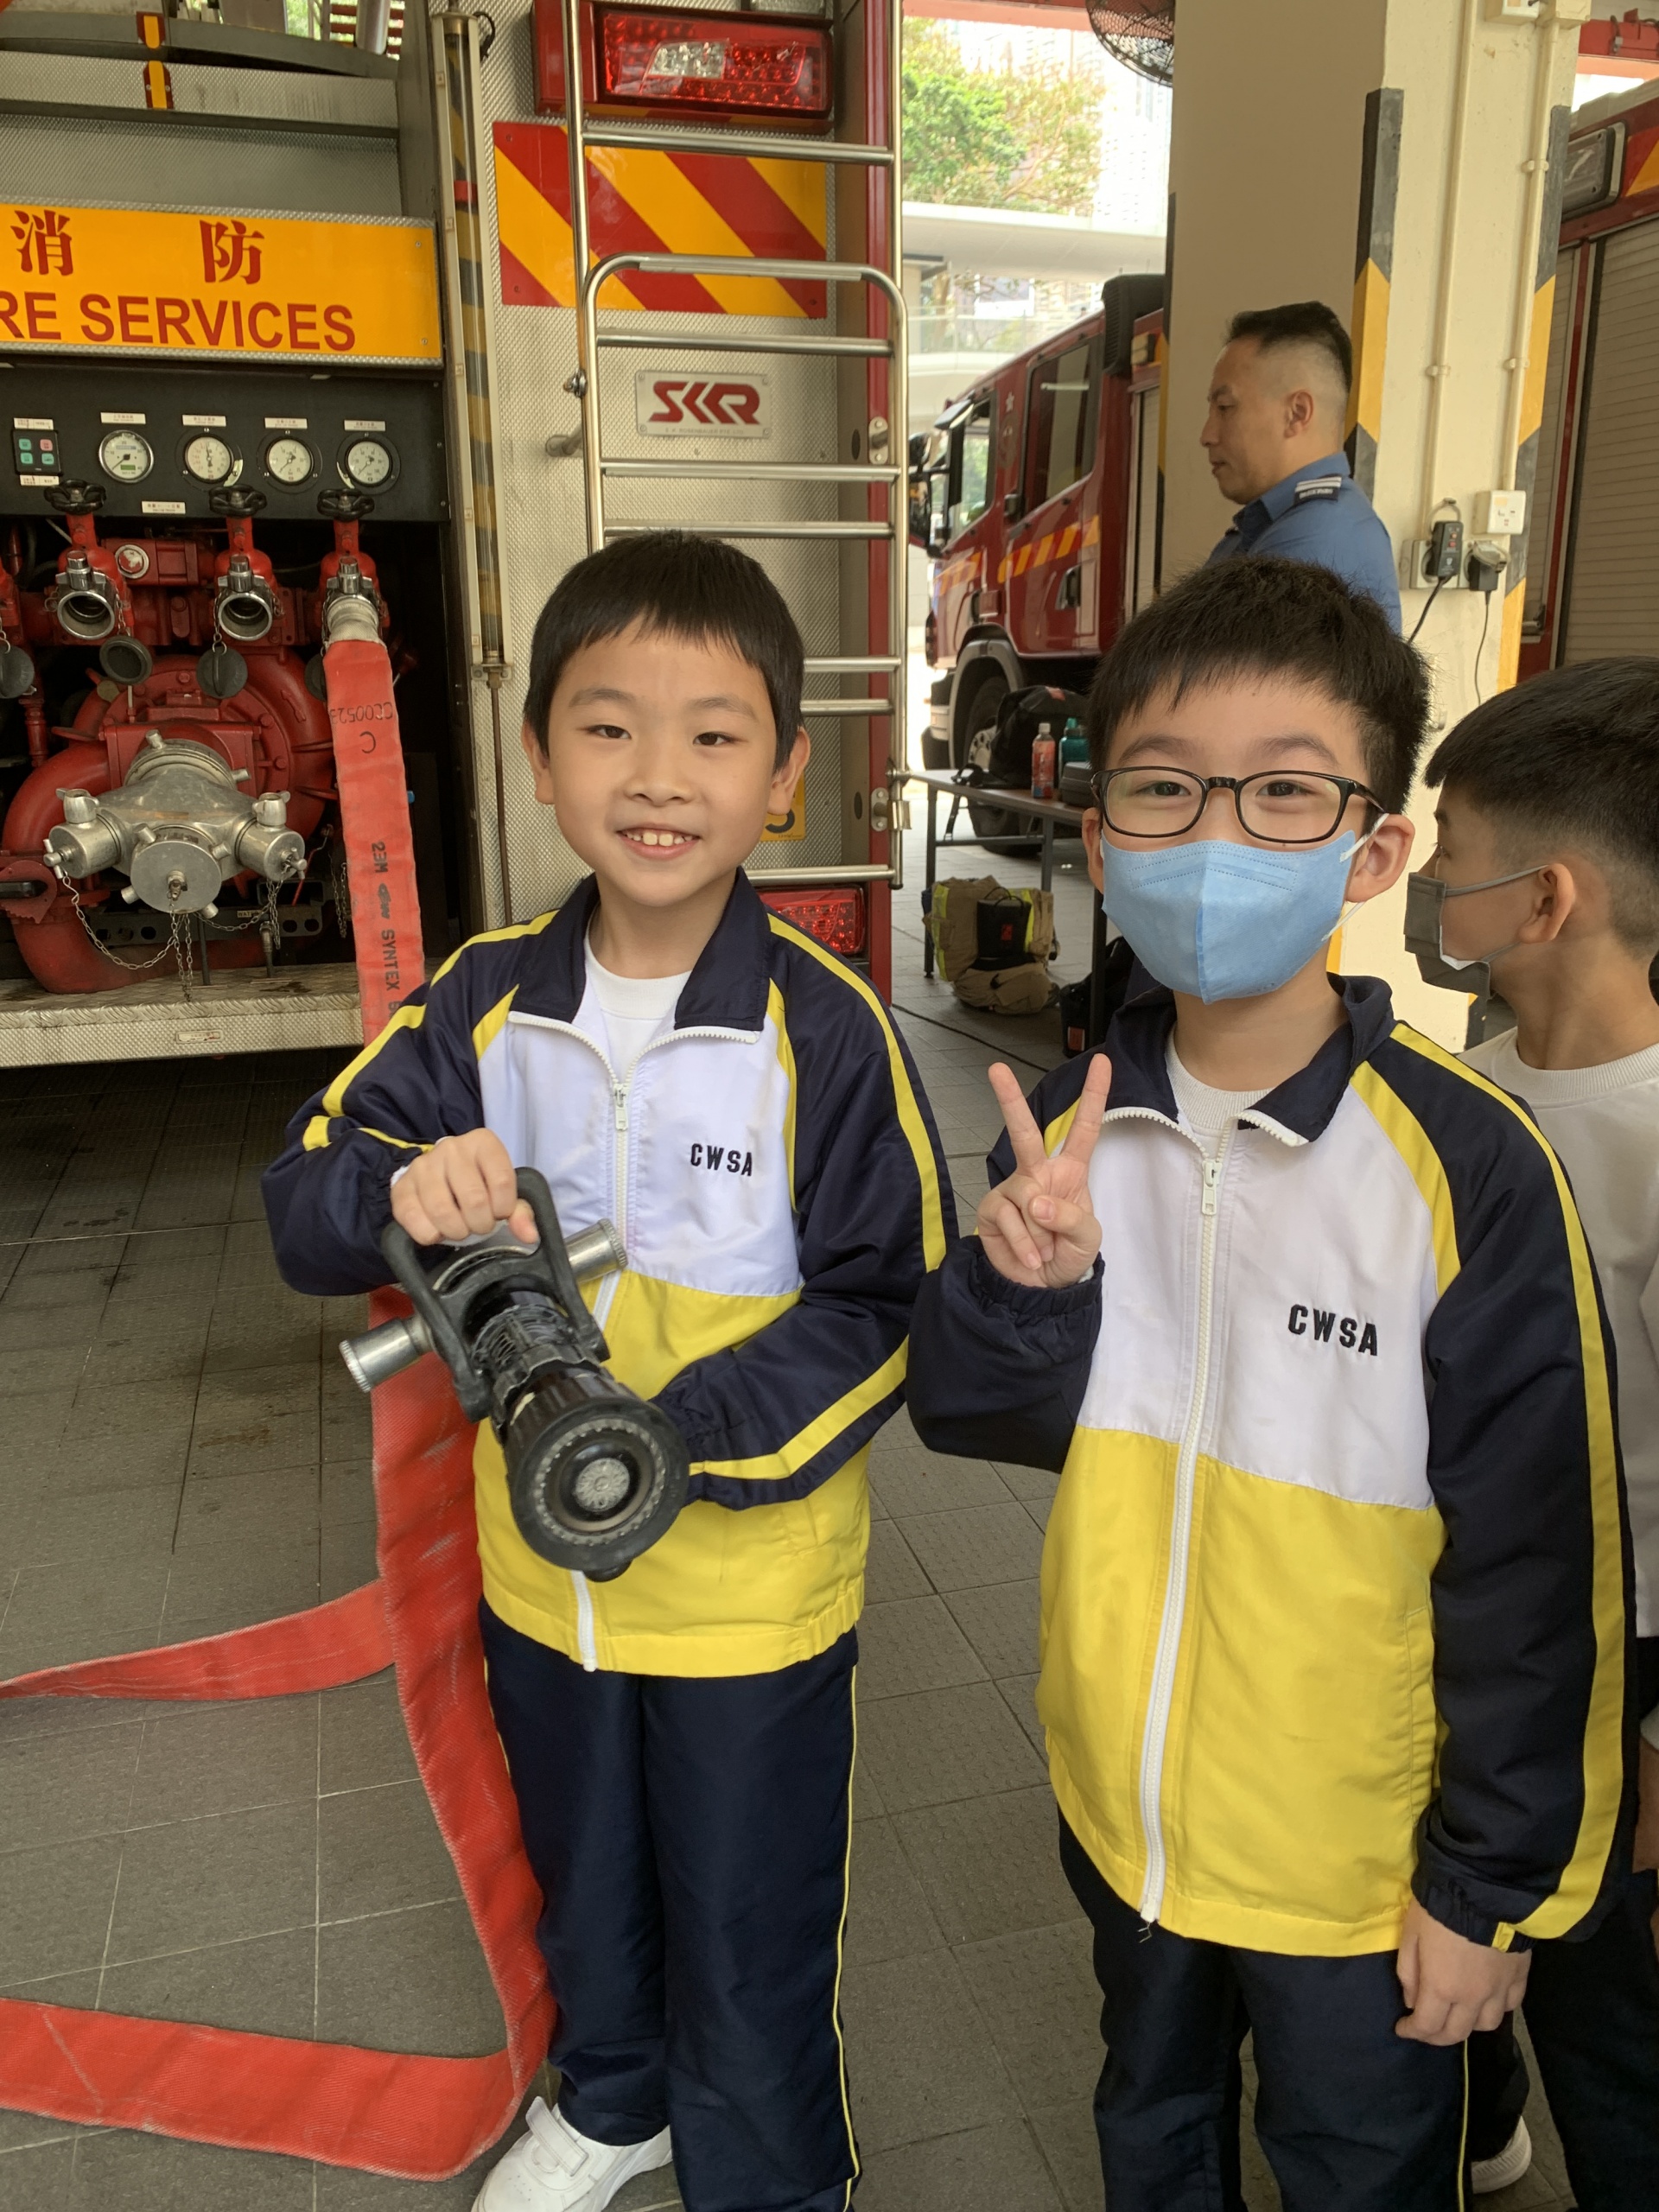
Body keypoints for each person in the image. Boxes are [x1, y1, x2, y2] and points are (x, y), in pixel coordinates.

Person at [905, 556, 1628, 2212]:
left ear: (1374, 852)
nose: (1217, 834)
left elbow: (1540, 1575)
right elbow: (971, 1412)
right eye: (1164, 788)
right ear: (1099, 836)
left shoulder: (1469, 1171)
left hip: (1357, 1865)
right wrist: (1020, 1292)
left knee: (1360, 2168)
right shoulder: (1070, 1127)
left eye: (1286, 791)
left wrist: (1487, 1890)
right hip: (1131, 1816)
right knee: (1151, 2126)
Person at [262, 532, 953, 2212]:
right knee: (583, 1872)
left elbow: (883, 1303)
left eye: (713, 734)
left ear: (785, 776)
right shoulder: (479, 1004)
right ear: (539, 757)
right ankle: (618, 2100)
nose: (657, 777)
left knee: (747, 1906)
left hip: (748, 1601)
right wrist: (400, 1188)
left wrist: (674, 1438)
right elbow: (303, 1195)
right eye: (608, 727)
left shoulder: (826, 1027)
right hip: (541, 1586)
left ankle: (771, 2175)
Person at [1408, 658, 1659, 2210]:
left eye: (1451, 850)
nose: (1432, 880)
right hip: (1475, 1606)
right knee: (1457, 1893)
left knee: (1599, 1985)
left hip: (1627, 1647)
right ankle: (1482, 2118)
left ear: (1546, 898)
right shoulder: (1467, 1098)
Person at [1203, 300, 1401, 628]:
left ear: (1297, 414)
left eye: (1225, 408)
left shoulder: (1318, 539)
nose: (1207, 435)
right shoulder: (1272, 524)